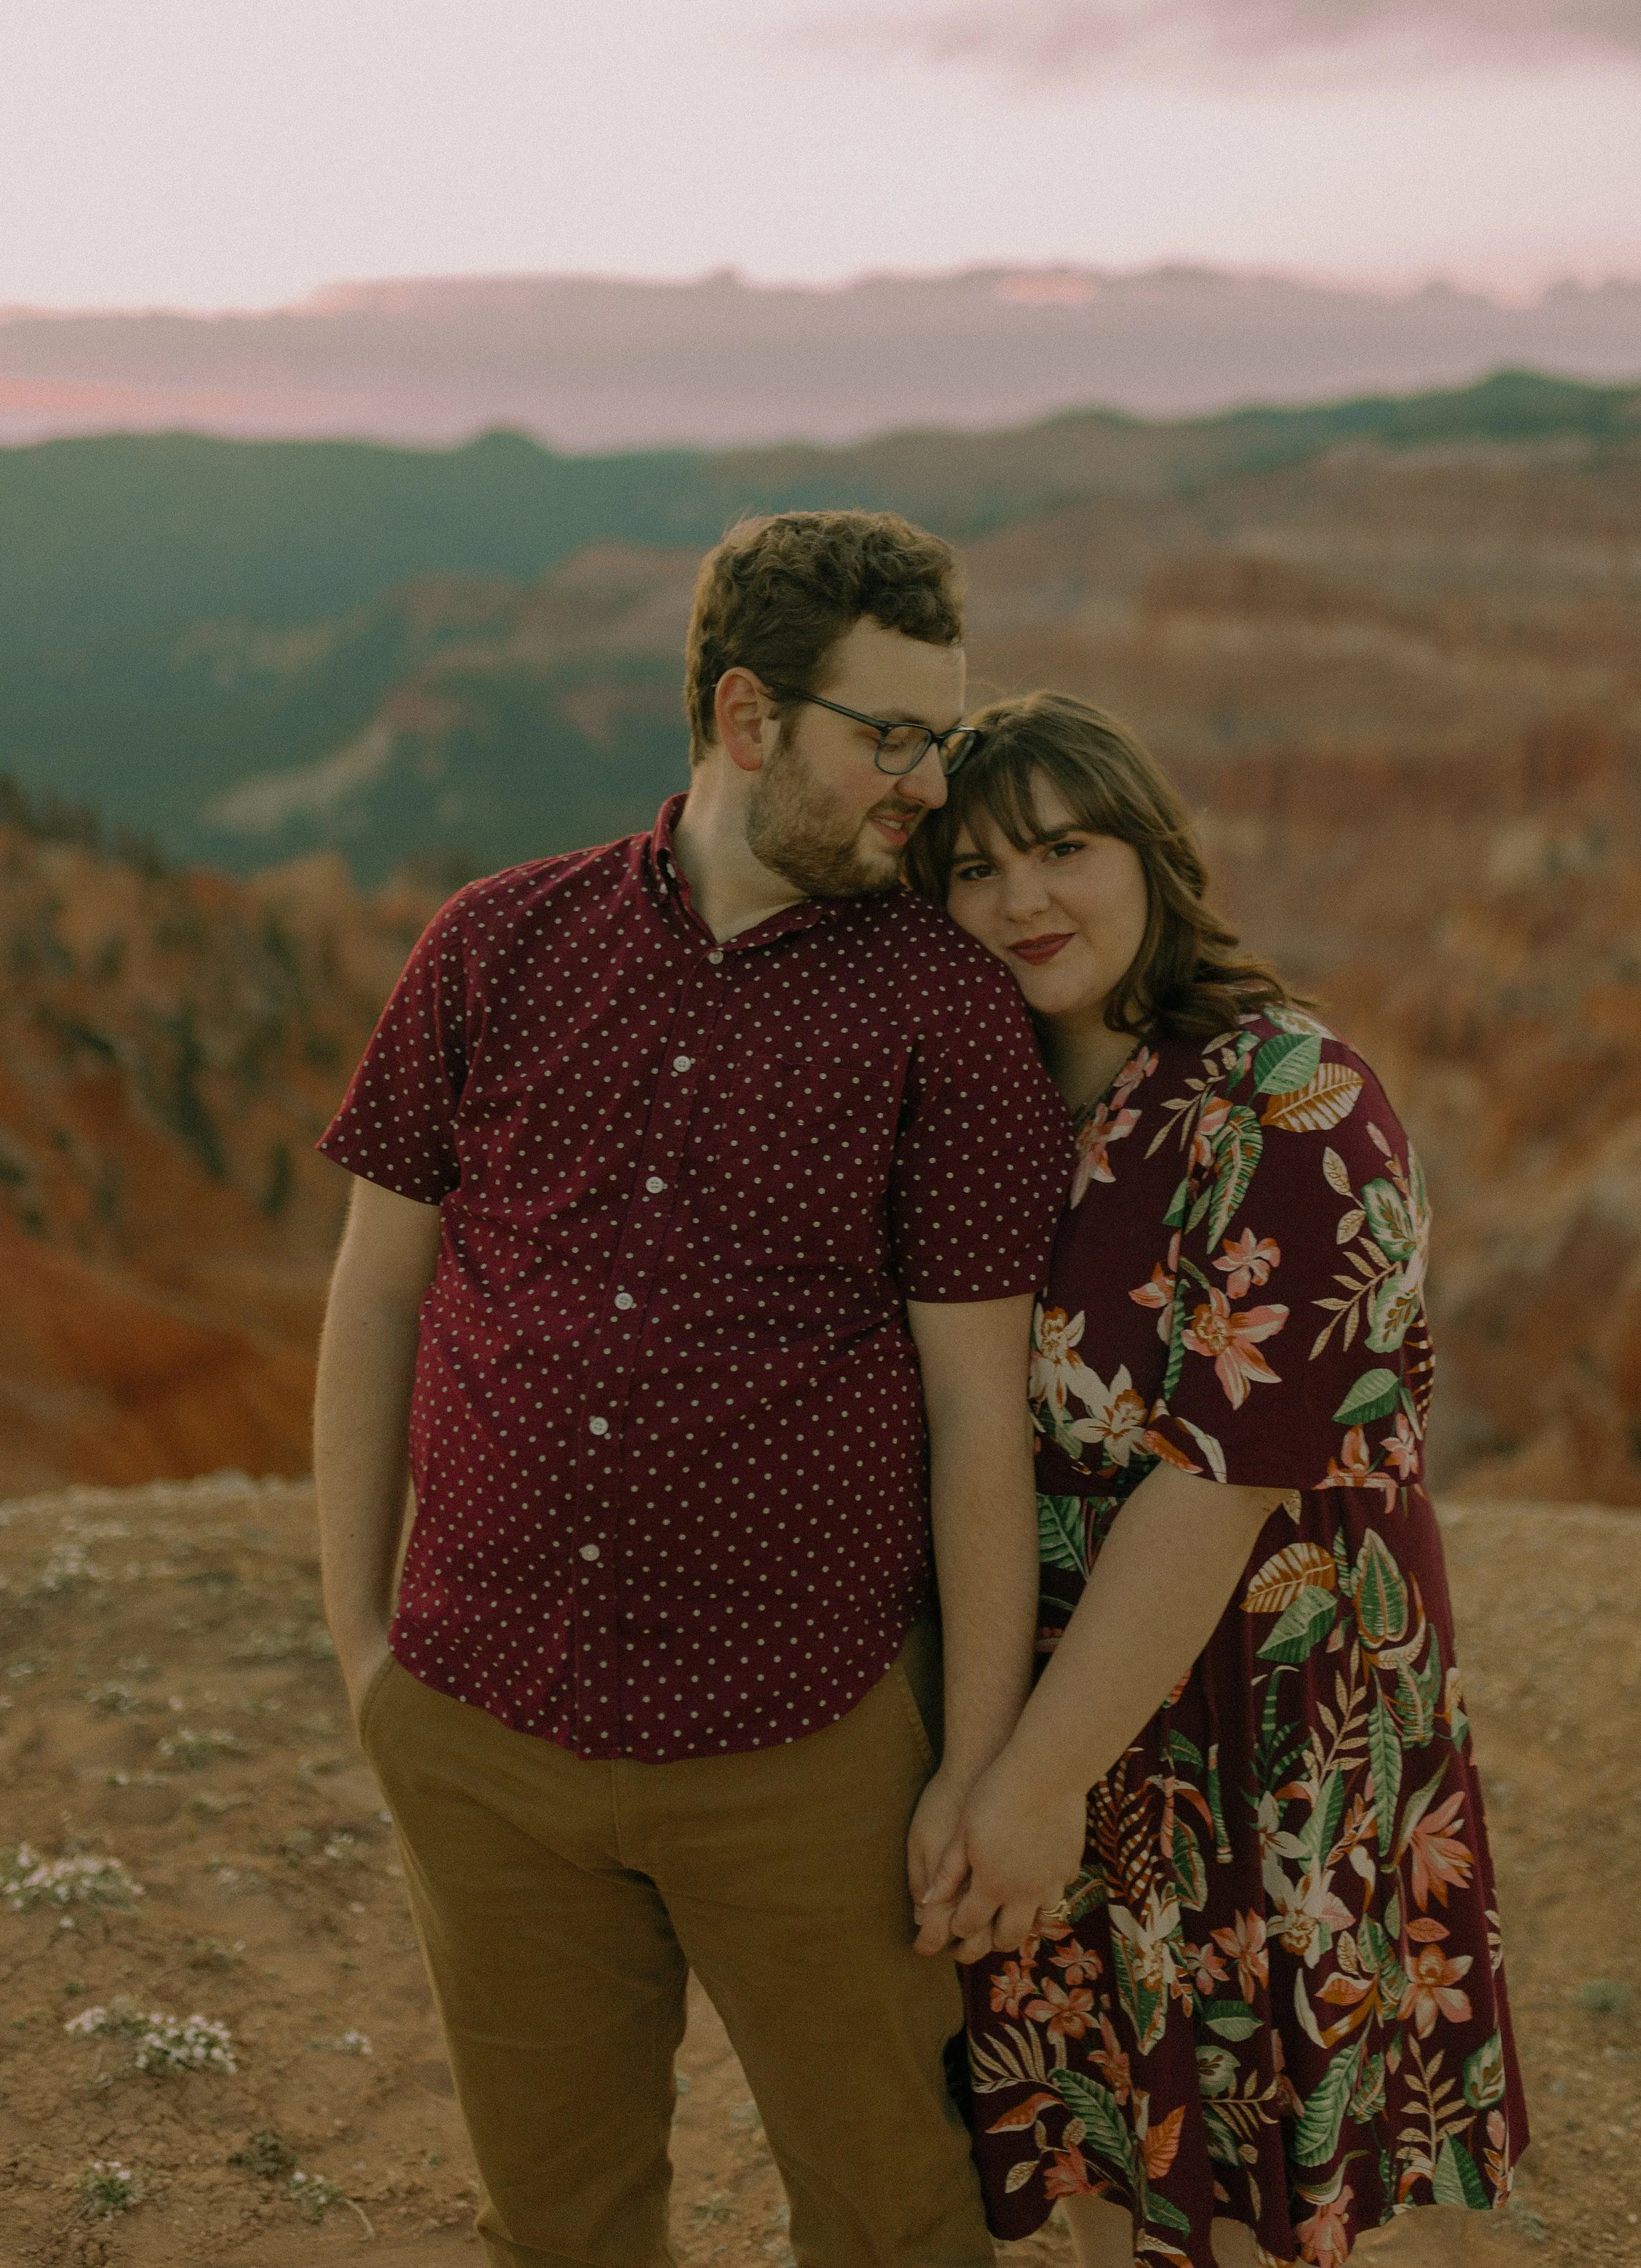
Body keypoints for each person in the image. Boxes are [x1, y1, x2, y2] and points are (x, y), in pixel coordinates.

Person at [311, 511, 1075, 2268]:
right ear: (748, 720)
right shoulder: (493, 945)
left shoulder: (944, 1015)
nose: (925, 786)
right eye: (889, 739)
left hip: (805, 1755)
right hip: (478, 1727)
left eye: (938, 740)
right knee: (559, 2223)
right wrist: (360, 1644)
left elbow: (980, 1418)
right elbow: (376, 1293)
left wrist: (966, 1764)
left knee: (893, 2217)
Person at [904, 692, 1528, 2268]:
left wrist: (1026, 1785)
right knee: (1105, 2139)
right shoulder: (981, 1107)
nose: (1021, 899)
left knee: (1252, 2162)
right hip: (1046, 1683)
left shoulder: (1292, 1101)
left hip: (1258, 1701)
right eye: (973, 870)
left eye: (1062, 848)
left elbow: (1219, 1482)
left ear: (1150, 851)